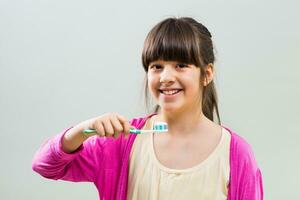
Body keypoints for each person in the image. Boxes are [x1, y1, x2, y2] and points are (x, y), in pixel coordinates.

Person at [32, 17, 263, 200]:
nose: (166, 77)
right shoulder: (121, 141)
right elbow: (45, 165)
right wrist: (85, 129)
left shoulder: (235, 154)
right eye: (157, 66)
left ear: (207, 74)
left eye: (181, 65)